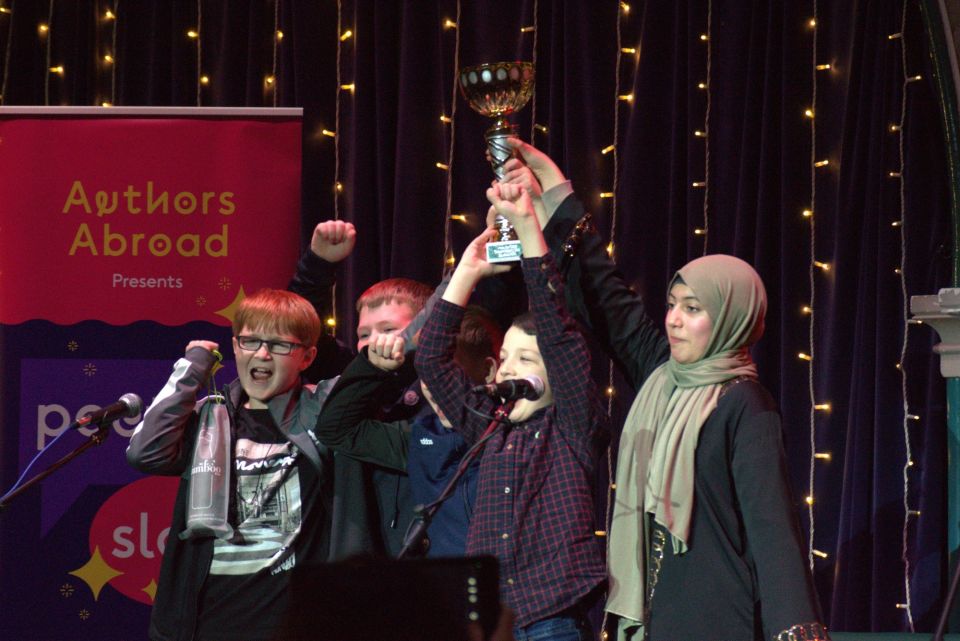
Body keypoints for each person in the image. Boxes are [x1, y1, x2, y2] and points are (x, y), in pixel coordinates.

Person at [502, 139, 829, 641]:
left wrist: (796, 629)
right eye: (673, 304)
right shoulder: (663, 376)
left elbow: (772, 529)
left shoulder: (744, 403)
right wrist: (553, 192)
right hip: (654, 616)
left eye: (693, 309)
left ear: (729, 319)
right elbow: (607, 298)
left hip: (716, 617)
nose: (674, 319)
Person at [415, 181, 607, 640]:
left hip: (552, 620)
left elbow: (560, 340)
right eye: (504, 360)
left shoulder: (572, 425)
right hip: (492, 622)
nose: (507, 370)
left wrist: (527, 233)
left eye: (526, 360)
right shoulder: (490, 425)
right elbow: (431, 360)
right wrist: (467, 272)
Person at [126, 289, 338, 641]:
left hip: (293, 621)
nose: (263, 353)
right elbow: (144, 452)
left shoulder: (322, 411)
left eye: (279, 344)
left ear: (307, 356)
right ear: (235, 347)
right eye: (250, 341)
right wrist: (192, 367)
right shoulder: (210, 418)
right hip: (206, 621)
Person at [289, 220, 434, 558]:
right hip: (359, 564)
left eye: (388, 329)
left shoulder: (444, 391)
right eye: (364, 334)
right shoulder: (348, 380)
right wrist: (318, 265)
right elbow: (299, 332)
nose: (373, 343)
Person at [315, 305, 502, 557]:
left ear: (490, 370)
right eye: (426, 377)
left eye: (445, 377)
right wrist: (373, 365)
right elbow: (335, 429)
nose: (434, 389)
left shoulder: (517, 438)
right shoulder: (422, 438)